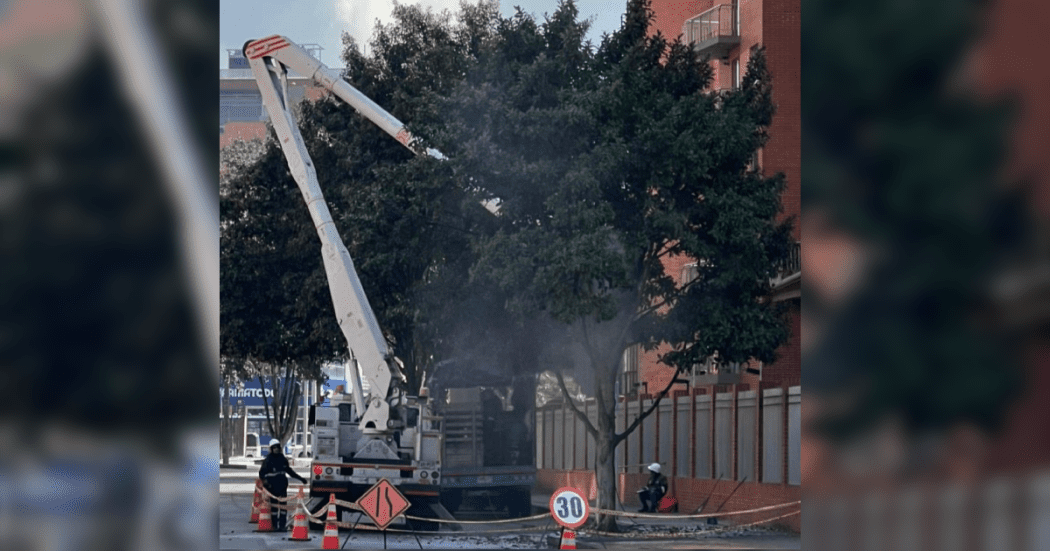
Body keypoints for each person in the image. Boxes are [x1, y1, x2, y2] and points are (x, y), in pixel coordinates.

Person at [259, 439, 308, 531]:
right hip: (272, 488)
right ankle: (274, 525)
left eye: (278, 447)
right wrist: (266, 485)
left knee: (283, 507)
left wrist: (301, 479)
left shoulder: (282, 459)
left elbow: (290, 471)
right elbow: (262, 474)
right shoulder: (268, 460)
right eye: (274, 448)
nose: (276, 449)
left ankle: (282, 525)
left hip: (282, 487)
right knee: (274, 508)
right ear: (271, 449)